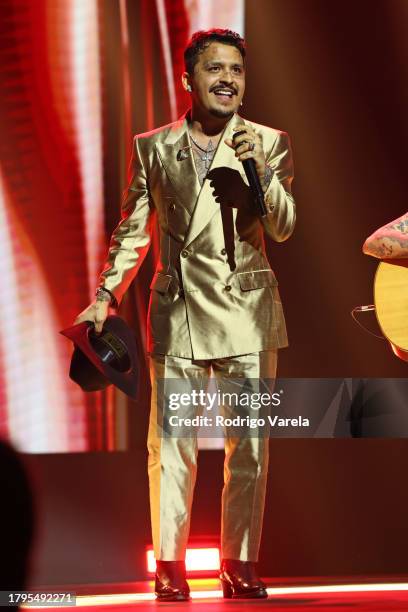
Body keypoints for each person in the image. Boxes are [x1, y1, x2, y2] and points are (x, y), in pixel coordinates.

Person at [75, 28, 295, 601]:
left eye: (237, 71)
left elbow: (284, 226)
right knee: (170, 444)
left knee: (249, 445)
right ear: (188, 79)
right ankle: (169, 564)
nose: (228, 79)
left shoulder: (267, 142)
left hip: (247, 312)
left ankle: (238, 561)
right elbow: (131, 232)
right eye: (215, 69)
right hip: (178, 314)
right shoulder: (155, 147)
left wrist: (259, 175)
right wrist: (106, 295)